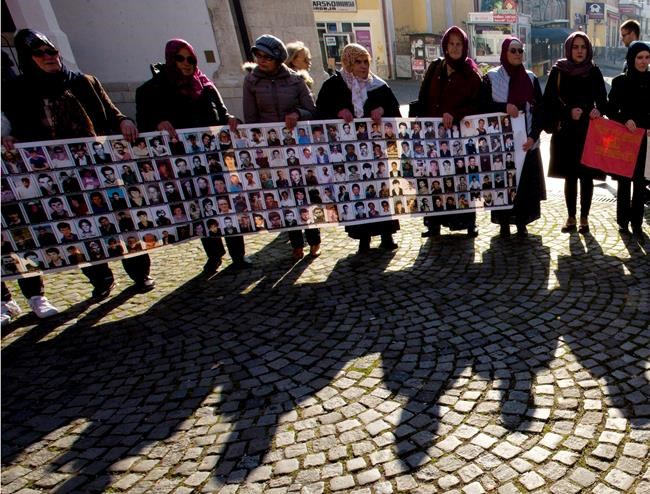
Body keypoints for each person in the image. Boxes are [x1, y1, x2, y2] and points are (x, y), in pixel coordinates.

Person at [1, 29, 153, 312]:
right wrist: (11, 138)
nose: (48, 57)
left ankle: (139, 273)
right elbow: (14, 126)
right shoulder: (17, 90)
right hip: (56, 176)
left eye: (51, 51)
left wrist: (124, 122)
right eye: (40, 53)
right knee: (80, 229)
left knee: (120, 219)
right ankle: (101, 278)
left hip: (97, 167)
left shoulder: (83, 82)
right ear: (28, 58)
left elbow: (111, 112)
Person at [136, 38, 251, 272]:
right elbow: (143, 124)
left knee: (226, 202)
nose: (186, 63)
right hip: (182, 160)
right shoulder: (152, 90)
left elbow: (222, 113)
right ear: (171, 60)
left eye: (191, 59)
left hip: (214, 157)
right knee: (200, 205)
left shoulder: (205, 86)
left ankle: (238, 255)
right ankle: (214, 254)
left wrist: (230, 120)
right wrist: (157, 123)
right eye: (180, 58)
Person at [316, 43, 400, 253]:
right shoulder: (333, 86)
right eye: (358, 62)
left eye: (366, 62)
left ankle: (386, 235)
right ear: (348, 63)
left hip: (376, 153)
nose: (363, 66)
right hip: (349, 155)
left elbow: (395, 112)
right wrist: (338, 113)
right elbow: (320, 114)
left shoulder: (378, 86)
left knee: (380, 191)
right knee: (356, 193)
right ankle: (363, 238)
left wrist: (382, 110)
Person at [243, 34, 320, 261]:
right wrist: (257, 147)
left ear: (278, 58)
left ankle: (314, 238)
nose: (262, 60)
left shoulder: (295, 80)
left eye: (267, 56)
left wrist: (297, 114)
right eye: (258, 55)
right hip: (270, 149)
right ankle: (295, 243)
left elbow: (311, 110)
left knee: (304, 193)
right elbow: (251, 118)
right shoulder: (252, 82)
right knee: (285, 195)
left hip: (296, 146)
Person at [414, 26, 483, 238]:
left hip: (459, 136)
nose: (454, 48)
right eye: (451, 43)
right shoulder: (436, 67)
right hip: (433, 135)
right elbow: (423, 96)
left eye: (458, 44)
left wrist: (456, 114)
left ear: (464, 46)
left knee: (460, 177)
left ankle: (467, 223)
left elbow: (478, 106)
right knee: (435, 176)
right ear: (445, 45)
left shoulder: (471, 74)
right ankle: (434, 223)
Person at [543, 32, 607, 234]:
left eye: (583, 47)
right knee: (570, 176)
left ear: (588, 49)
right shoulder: (559, 70)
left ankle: (584, 218)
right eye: (575, 47)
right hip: (566, 131)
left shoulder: (594, 71)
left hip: (589, 130)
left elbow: (603, 101)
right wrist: (567, 112)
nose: (579, 51)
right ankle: (571, 217)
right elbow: (549, 101)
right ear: (569, 49)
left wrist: (598, 110)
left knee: (586, 176)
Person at [483, 37, 547, 238]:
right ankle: (503, 223)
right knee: (503, 183)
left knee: (524, 186)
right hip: (500, 144)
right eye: (513, 50)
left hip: (525, 143)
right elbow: (482, 106)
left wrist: (533, 136)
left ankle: (521, 222)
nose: (517, 54)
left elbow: (540, 111)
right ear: (505, 52)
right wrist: (504, 107)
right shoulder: (492, 77)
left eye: (520, 50)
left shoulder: (530, 78)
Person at [606, 41, 649, 236]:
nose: (643, 61)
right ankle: (623, 220)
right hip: (624, 138)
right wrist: (625, 119)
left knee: (640, 182)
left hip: (645, 139)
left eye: (647, 57)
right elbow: (610, 109)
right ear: (632, 59)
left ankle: (637, 222)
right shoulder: (620, 82)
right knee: (624, 181)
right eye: (639, 57)